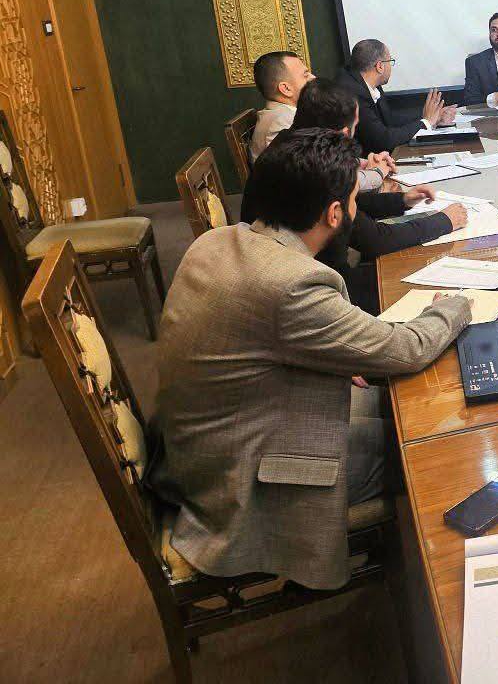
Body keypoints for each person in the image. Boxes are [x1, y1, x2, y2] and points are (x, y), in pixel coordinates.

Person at [147, 128, 473, 590]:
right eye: (355, 200)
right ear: (335, 213)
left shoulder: (217, 241)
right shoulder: (292, 284)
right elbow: (408, 349)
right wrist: (454, 306)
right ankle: (427, 593)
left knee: (395, 407)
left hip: (205, 446)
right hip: (239, 482)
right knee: (430, 442)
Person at [241, 80, 467, 313]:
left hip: (281, 271)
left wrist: (401, 200)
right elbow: (375, 239)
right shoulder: (315, 169)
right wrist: (445, 221)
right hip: (321, 289)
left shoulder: (290, 147)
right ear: (344, 133)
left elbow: (353, 205)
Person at [335, 38, 457, 153]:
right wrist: (426, 122)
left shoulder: (367, 83)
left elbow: (389, 120)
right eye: (390, 61)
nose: (390, 67)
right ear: (380, 66)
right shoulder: (354, 93)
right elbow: (383, 140)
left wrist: (430, 117)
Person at [250, 50, 314, 160]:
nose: (313, 77)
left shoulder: (282, 114)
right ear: (286, 89)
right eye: (305, 75)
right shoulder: (283, 122)